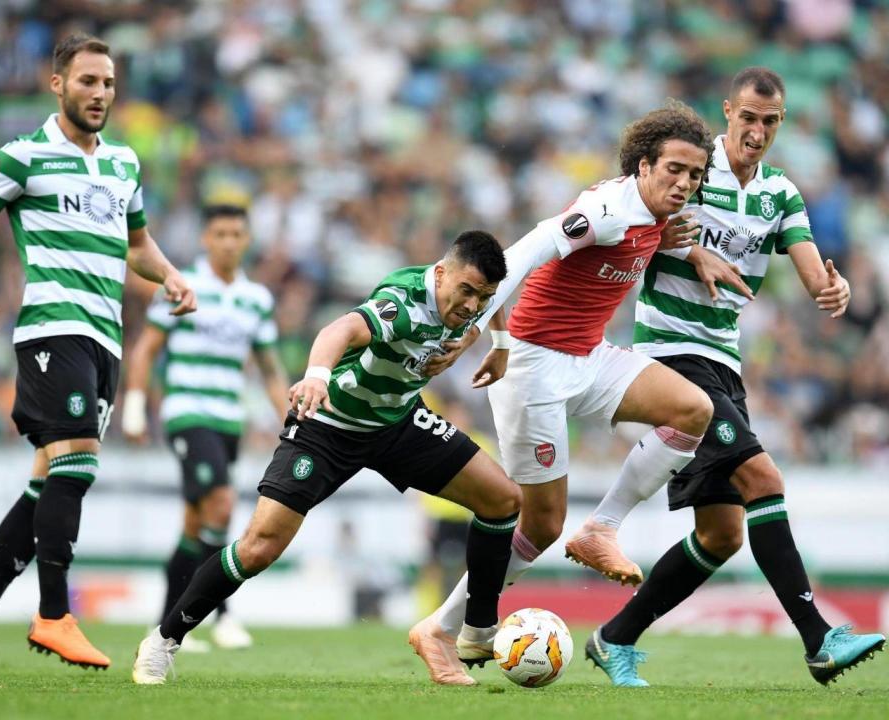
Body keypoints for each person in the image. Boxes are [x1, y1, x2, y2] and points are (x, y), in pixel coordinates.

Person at [413, 102, 738, 684]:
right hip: (533, 367)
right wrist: (482, 331)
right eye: (674, 170)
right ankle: (438, 628)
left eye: (695, 175)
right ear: (643, 165)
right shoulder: (606, 208)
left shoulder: (651, 214)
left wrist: (688, 250)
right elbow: (523, 254)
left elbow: (644, 240)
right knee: (539, 527)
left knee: (693, 408)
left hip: (588, 356)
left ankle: (602, 529)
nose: (685, 183)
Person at [585, 67, 885, 687]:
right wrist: (692, 250)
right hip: (670, 352)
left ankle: (613, 637)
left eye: (769, 122)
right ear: (728, 112)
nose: (756, 131)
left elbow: (811, 274)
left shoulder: (780, 194)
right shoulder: (691, 169)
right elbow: (630, 219)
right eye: (747, 118)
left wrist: (834, 287)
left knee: (720, 535)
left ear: (781, 125)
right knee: (763, 476)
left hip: (724, 362)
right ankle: (819, 639)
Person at [131, 230, 522, 686]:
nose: (473, 304)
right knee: (259, 547)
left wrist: (498, 345)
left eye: (482, 296)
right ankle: (163, 640)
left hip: (397, 423)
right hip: (328, 427)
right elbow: (339, 329)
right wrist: (317, 376)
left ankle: (476, 629)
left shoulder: (471, 298)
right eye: (467, 292)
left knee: (503, 500)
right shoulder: (405, 303)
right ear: (440, 274)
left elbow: (497, 302)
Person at [0, 33, 196, 678]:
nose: (100, 93)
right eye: (87, 81)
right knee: (77, 464)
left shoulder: (124, 165)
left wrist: (169, 275)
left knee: (50, 480)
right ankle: (54, 614)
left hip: (105, 338)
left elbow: (135, 245)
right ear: (58, 85)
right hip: (54, 330)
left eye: (108, 83)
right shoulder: (23, 157)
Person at [122, 203, 290, 651]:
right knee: (219, 506)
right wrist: (136, 406)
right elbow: (146, 349)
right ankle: (223, 615)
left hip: (227, 419)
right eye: (220, 234)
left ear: (248, 240)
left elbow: (270, 370)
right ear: (205, 239)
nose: (229, 242)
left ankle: (164, 625)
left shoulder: (256, 298)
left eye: (237, 234)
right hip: (187, 412)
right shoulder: (181, 285)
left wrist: (292, 420)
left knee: (197, 526)